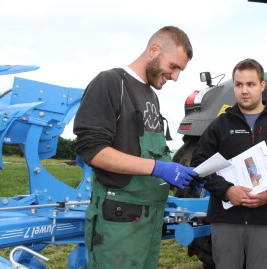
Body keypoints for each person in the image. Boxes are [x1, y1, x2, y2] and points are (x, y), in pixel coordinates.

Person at [73, 25, 198, 269]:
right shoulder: (110, 83)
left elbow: (149, 153)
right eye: (174, 67)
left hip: (148, 222)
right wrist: (157, 168)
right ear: (154, 50)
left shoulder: (151, 96)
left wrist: (180, 175)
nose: (175, 77)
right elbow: (93, 150)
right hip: (117, 225)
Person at [190, 58, 267, 269]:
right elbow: (199, 163)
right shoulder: (220, 125)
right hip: (226, 220)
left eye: (251, 84)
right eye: (239, 85)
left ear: (262, 85)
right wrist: (227, 190)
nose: (244, 90)